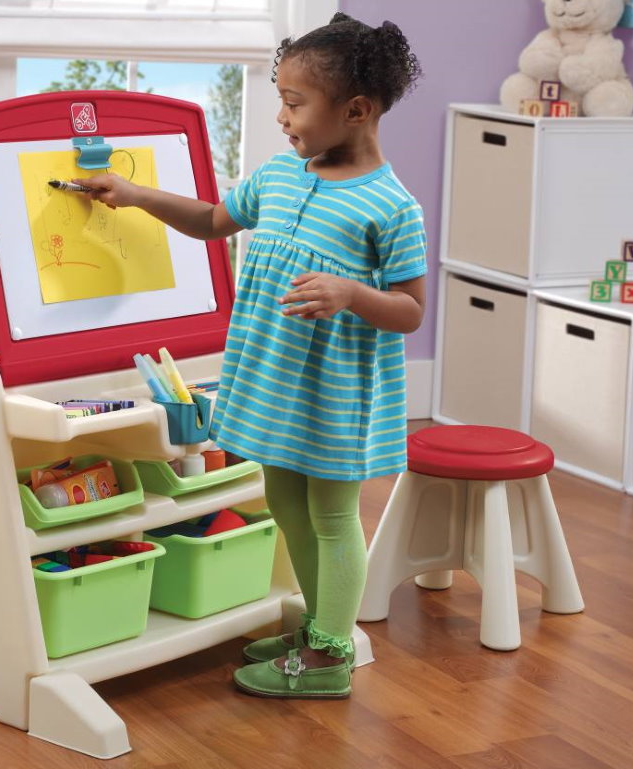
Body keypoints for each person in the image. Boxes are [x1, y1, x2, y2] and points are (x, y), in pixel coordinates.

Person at [78, 12, 426, 699]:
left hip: (335, 393)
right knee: (282, 499)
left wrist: (352, 292)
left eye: (295, 103)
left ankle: (330, 655)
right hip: (275, 379)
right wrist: (136, 194)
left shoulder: (391, 207)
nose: (281, 117)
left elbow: (412, 311)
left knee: (332, 515)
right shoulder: (279, 176)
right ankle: (319, 624)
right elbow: (212, 220)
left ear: (354, 110)